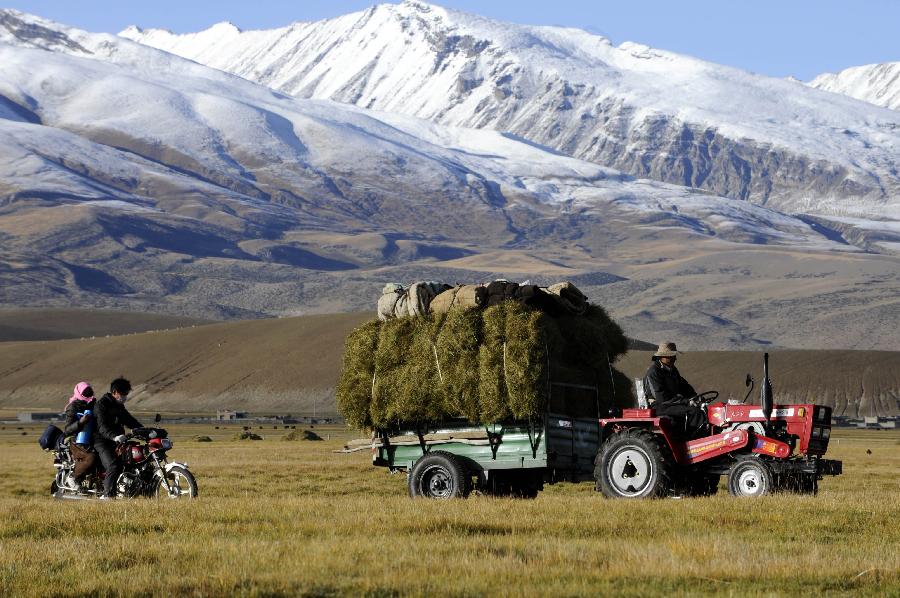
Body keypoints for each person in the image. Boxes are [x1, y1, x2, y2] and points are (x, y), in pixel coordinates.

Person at [642, 342, 707, 437]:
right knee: (694, 412)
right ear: (662, 356)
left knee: (702, 409)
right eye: (671, 356)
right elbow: (661, 397)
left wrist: (696, 397)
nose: (675, 358)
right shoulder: (653, 372)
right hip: (659, 406)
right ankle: (695, 441)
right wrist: (686, 402)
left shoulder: (672, 370)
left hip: (671, 403)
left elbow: (684, 386)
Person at [93, 377, 142, 499]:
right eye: (123, 394)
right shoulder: (101, 405)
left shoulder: (119, 406)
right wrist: (114, 436)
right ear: (114, 392)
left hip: (117, 440)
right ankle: (108, 496)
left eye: (126, 394)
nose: (125, 397)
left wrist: (144, 430)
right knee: (114, 465)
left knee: (131, 462)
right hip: (101, 441)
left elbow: (129, 420)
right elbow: (102, 427)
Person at [62, 381, 98, 491]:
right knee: (91, 457)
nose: (88, 394)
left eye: (89, 392)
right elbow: (67, 430)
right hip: (76, 442)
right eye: (85, 392)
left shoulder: (93, 404)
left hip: (92, 439)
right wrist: (81, 422)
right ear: (78, 392)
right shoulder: (73, 407)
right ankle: (73, 478)